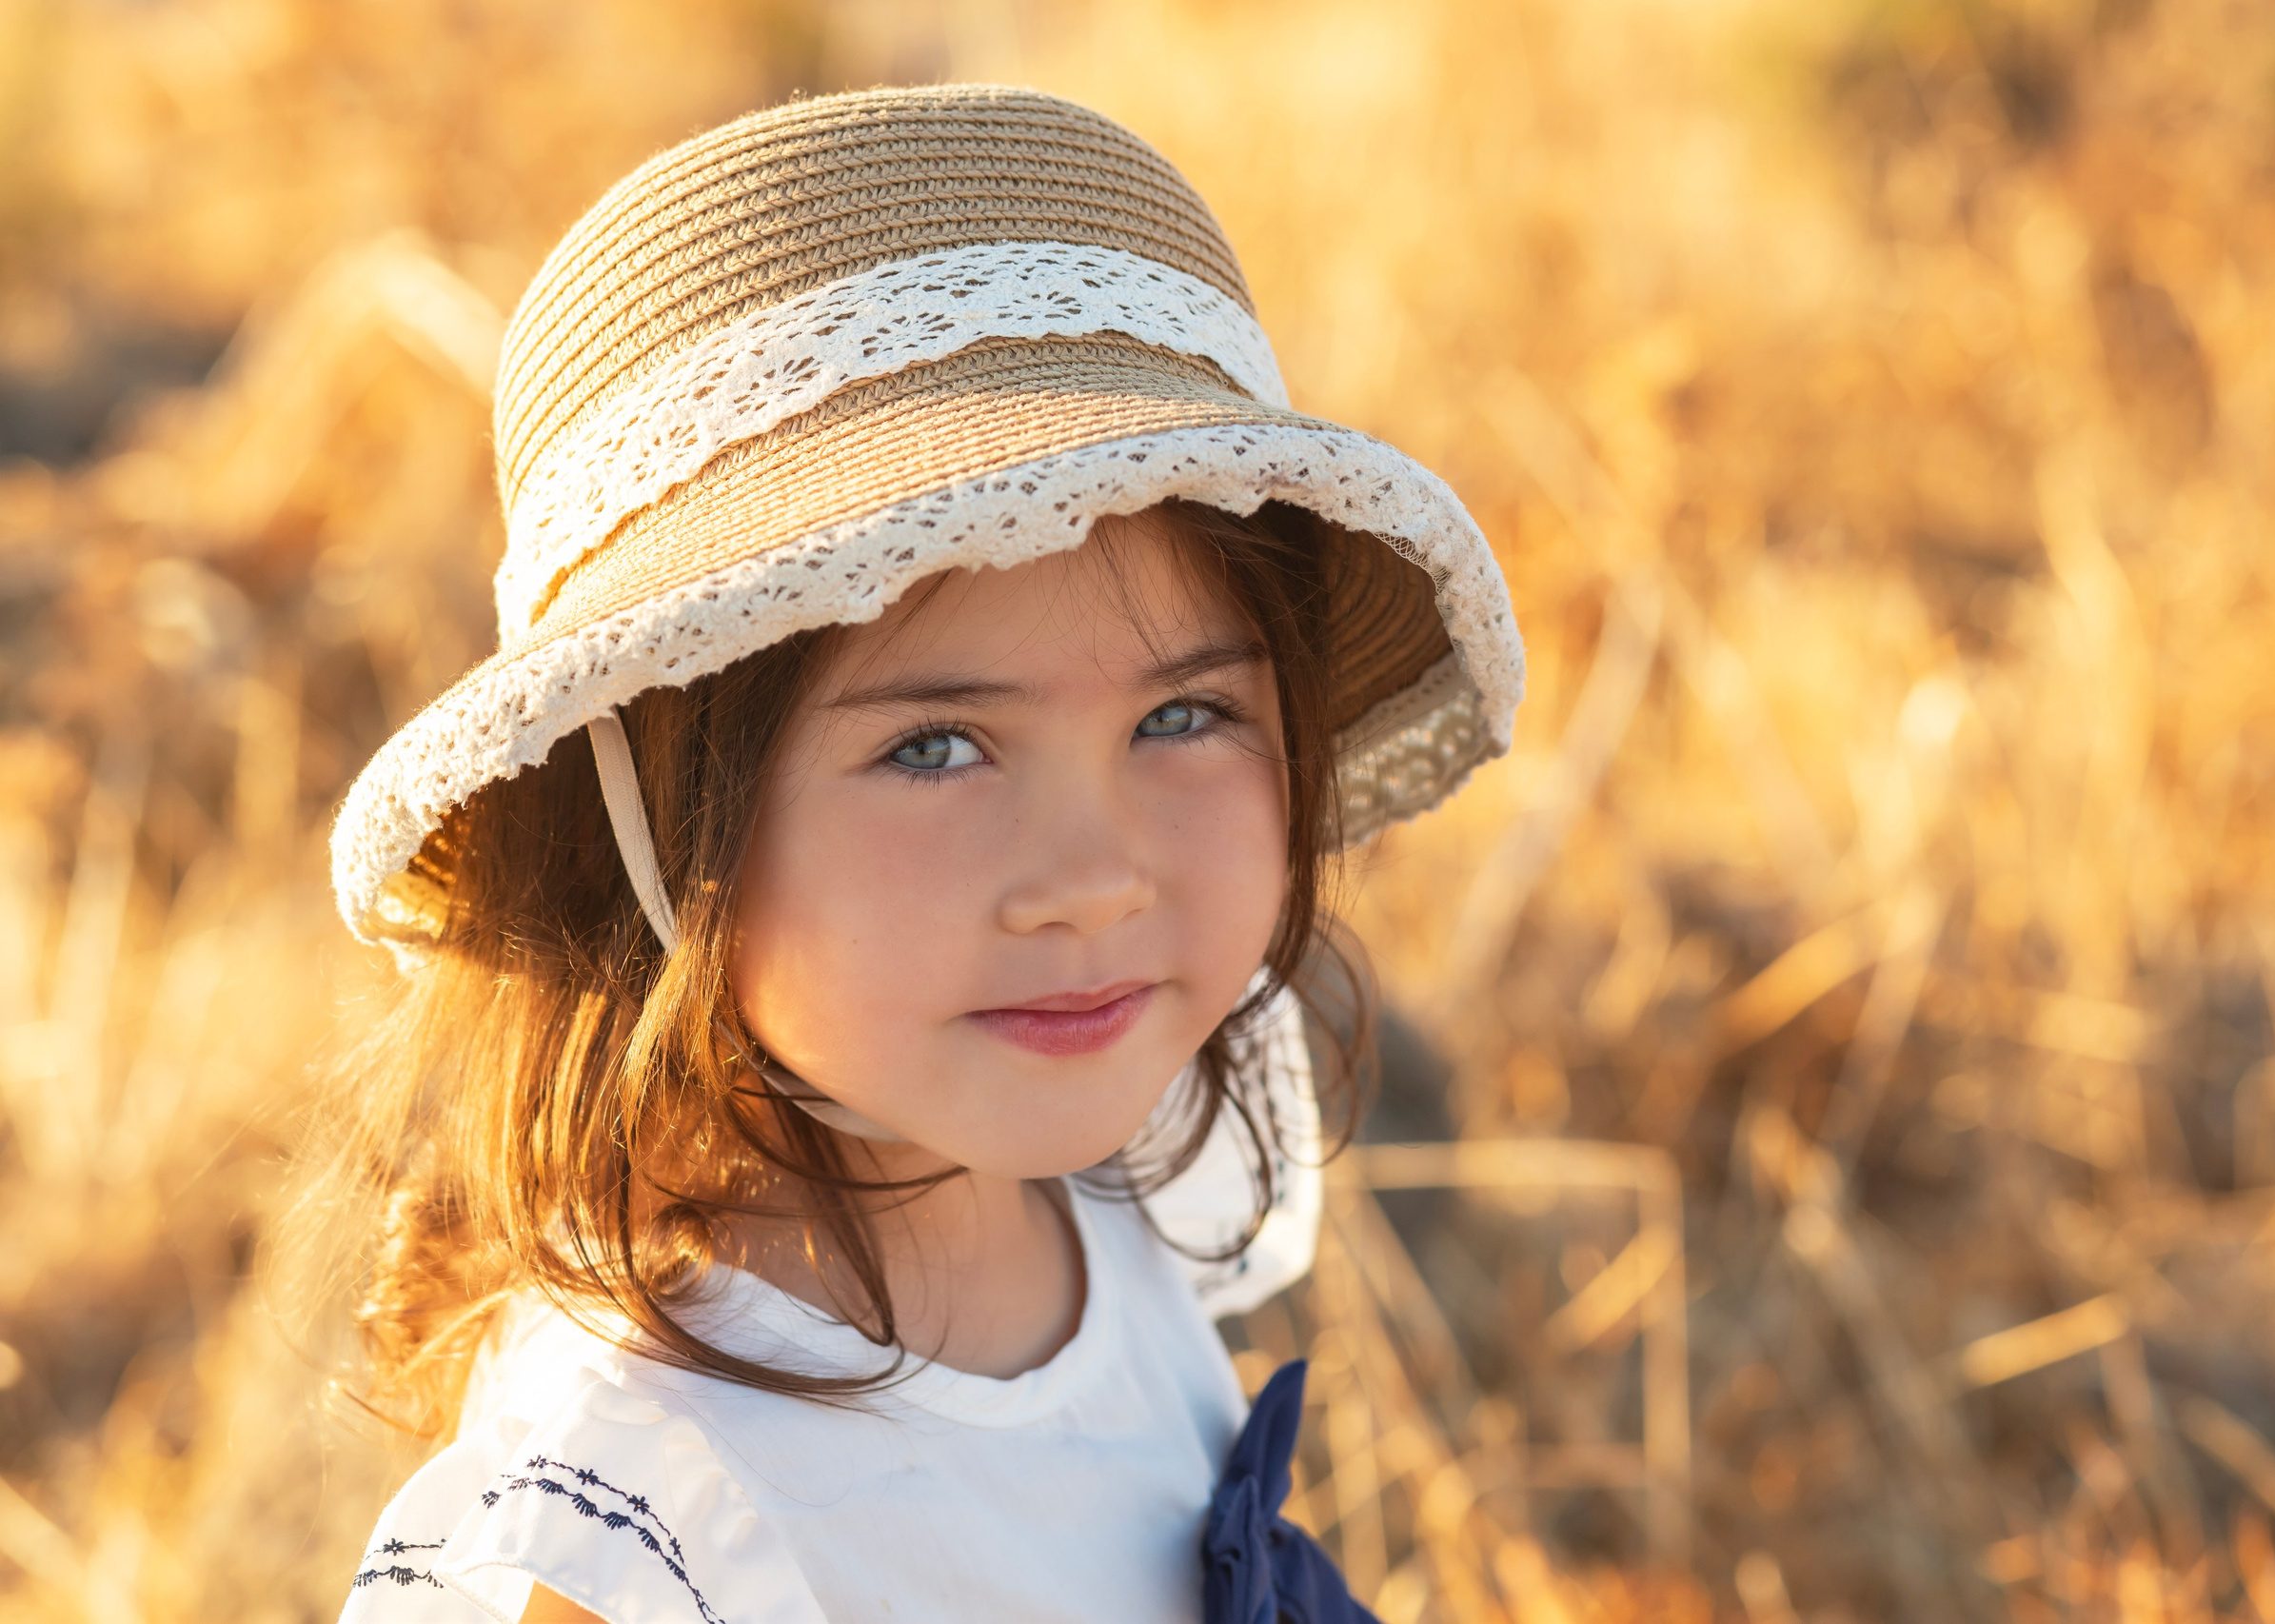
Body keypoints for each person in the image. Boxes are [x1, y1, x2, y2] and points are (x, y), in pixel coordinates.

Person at [312, 84, 1523, 1624]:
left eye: (1185, 714)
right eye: (936, 746)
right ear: (649, 840)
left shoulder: (1096, 1190)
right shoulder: (651, 1517)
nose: (1092, 878)